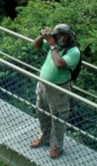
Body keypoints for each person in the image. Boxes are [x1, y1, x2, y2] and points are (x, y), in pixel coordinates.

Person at [29, 23, 81, 159]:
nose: (56, 38)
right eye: (55, 35)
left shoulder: (73, 51)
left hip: (59, 89)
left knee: (58, 118)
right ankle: (44, 138)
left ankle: (56, 147)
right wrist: (42, 35)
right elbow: (35, 45)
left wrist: (52, 45)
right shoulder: (56, 44)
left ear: (66, 36)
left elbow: (59, 64)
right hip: (43, 85)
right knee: (41, 113)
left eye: (58, 35)